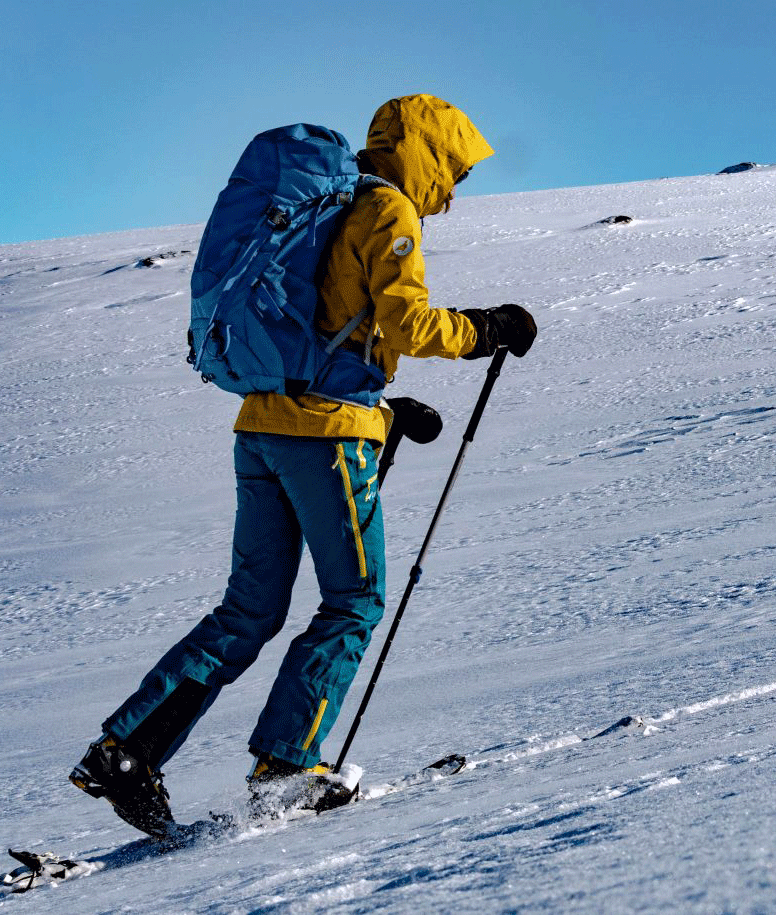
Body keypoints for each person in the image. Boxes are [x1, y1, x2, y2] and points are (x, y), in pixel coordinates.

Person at [69, 95, 537, 836]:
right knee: (353, 600)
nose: (451, 192)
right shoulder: (388, 212)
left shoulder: (328, 205)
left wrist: (384, 410)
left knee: (248, 610)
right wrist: (488, 330)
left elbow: (323, 331)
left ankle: (126, 750)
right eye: (452, 170)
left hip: (263, 426)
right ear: (423, 153)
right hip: (326, 437)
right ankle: (285, 766)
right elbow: (408, 324)